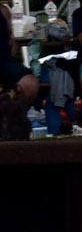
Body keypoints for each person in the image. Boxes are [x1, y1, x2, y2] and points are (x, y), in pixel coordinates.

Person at [0, 11, 41, 141]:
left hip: (3, 61)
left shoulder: (2, 10)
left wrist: (11, 37)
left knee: (29, 85)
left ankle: (14, 128)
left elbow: (9, 38)